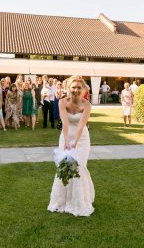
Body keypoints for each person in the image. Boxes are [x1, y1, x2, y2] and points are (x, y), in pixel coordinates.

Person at [48, 75, 95, 217]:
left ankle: (81, 202)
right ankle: (62, 201)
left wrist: (75, 142)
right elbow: (65, 123)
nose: (76, 90)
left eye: (78, 87)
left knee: (79, 166)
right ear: (68, 88)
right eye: (73, 87)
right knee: (65, 168)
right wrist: (67, 141)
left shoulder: (87, 105)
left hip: (82, 139)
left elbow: (81, 124)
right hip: (66, 136)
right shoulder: (62, 102)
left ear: (83, 90)